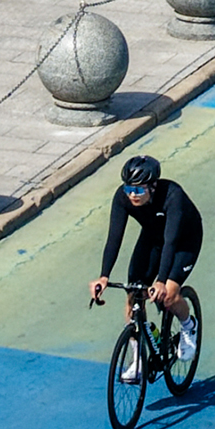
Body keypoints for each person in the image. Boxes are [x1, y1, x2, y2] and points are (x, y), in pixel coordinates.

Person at [88, 155, 202, 380]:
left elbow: (171, 242)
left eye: (139, 190)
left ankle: (189, 325)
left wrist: (161, 281)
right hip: (153, 238)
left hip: (184, 241)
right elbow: (114, 238)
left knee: (169, 295)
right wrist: (103, 276)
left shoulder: (173, 196)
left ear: (153, 186)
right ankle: (138, 359)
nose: (133, 195)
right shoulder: (122, 198)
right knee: (133, 294)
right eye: (129, 188)